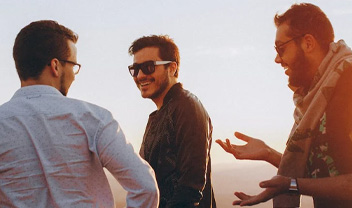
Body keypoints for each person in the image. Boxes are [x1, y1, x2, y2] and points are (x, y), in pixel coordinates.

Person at [0, 20, 159, 208]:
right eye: (73, 65)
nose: (74, 75)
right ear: (55, 66)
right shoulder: (93, 119)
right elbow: (145, 187)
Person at [216, 3, 352, 208]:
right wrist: (268, 153)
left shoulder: (347, 82)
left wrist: (292, 185)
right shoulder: (315, 99)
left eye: (281, 48)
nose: (277, 59)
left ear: (308, 43)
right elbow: (324, 174)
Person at [128, 35, 216, 208]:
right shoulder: (158, 116)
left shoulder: (187, 107)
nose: (139, 76)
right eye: (135, 69)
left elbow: (190, 188)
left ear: (172, 68)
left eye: (148, 67)